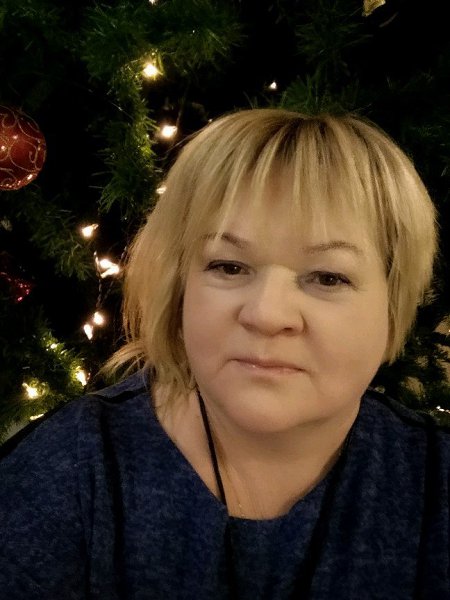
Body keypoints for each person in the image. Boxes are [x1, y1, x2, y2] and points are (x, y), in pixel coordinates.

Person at [0, 108, 448, 600]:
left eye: (328, 277)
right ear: (180, 288)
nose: (266, 314)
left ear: (392, 306)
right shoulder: (69, 470)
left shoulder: (435, 487)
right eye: (229, 266)